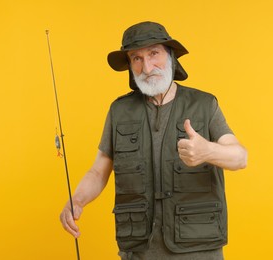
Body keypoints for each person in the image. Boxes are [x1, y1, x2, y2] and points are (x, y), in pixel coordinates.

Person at [60, 21, 247, 260]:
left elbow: (240, 157)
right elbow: (98, 172)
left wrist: (207, 151)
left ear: (170, 56)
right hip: (139, 252)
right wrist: (76, 201)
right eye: (136, 58)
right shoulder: (120, 111)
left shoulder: (204, 104)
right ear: (129, 65)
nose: (147, 67)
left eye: (153, 53)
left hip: (198, 250)